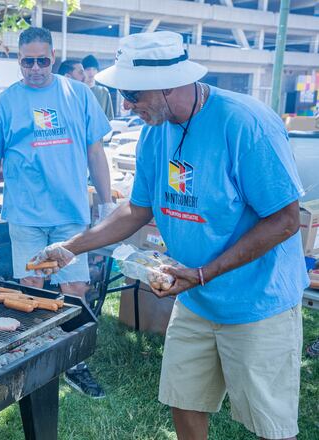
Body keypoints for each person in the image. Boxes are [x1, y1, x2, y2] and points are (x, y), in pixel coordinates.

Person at [30, 31, 306, 440]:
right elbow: (137, 209)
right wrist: (72, 247)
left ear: (170, 84)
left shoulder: (245, 123)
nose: (126, 104)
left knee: (269, 422)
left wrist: (203, 273)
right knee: (185, 399)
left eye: (132, 94)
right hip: (195, 297)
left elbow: (285, 220)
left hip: (256, 301)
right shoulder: (153, 131)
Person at [0, 26, 113, 398]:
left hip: (70, 214)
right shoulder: (5, 101)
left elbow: (95, 152)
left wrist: (106, 203)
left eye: (41, 60)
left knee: (75, 287)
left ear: (53, 56)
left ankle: (74, 362)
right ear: (18, 61)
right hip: (25, 214)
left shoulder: (79, 94)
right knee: (31, 287)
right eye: (27, 62)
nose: (35, 68)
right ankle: (34, 359)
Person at [82, 55, 114, 120]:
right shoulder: (78, 91)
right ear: (83, 71)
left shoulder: (104, 91)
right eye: (88, 69)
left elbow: (109, 117)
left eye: (94, 69)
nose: (91, 72)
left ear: (97, 71)